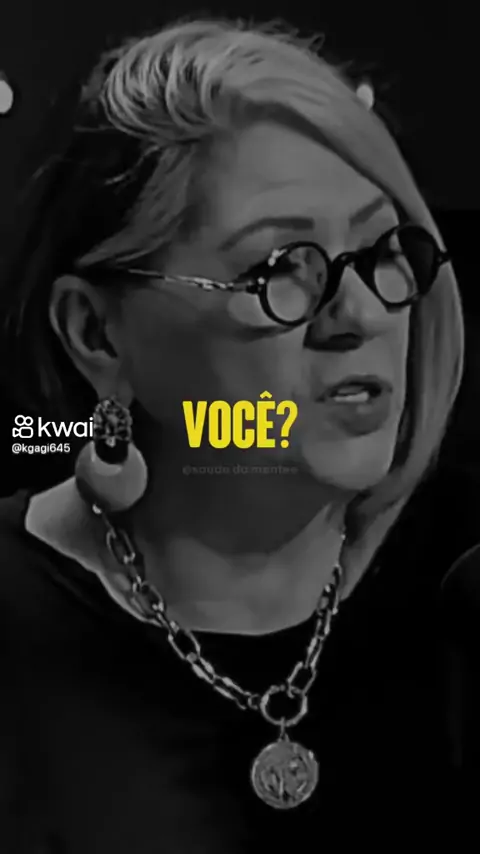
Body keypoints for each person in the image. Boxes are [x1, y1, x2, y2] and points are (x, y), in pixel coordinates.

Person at [0, 15, 472, 851]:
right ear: (97, 335)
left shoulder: (459, 582)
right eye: (278, 268)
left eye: (382, 250)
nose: (362, 315)